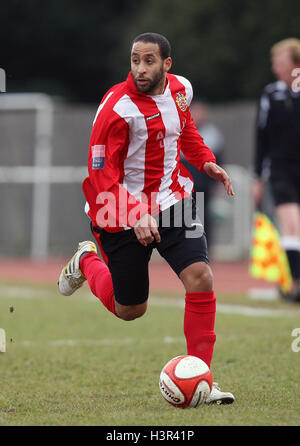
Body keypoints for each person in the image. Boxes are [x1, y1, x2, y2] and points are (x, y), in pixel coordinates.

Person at [58, 32, 235, 404]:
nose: (140, 68)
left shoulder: (180, 90)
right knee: (130, 310)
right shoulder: (117, 108)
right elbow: (100, 174)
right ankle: (86, 261)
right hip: (116, 209)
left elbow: (185, 130)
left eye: (149, 61)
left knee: (201, 277)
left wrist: (204, 159)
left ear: (167, 65)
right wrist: (135, 213)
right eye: (135, 60)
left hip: (174, 198)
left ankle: (203, 377)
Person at [252, 38, 300, 302]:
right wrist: (258, 176)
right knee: (291, 225)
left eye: (279, 62)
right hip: (281, 170)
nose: (275, 68)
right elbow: (261, 137)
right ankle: (293, 284)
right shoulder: (270, 94)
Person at [181, 101, 225, 247]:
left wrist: (218, 182)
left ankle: (204, 247)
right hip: (184, 186)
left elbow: (219, 160)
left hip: (203, 185)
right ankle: (188, 248)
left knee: (202, 217)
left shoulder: (212, 135)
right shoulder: (181, 132)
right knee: (184, 218)